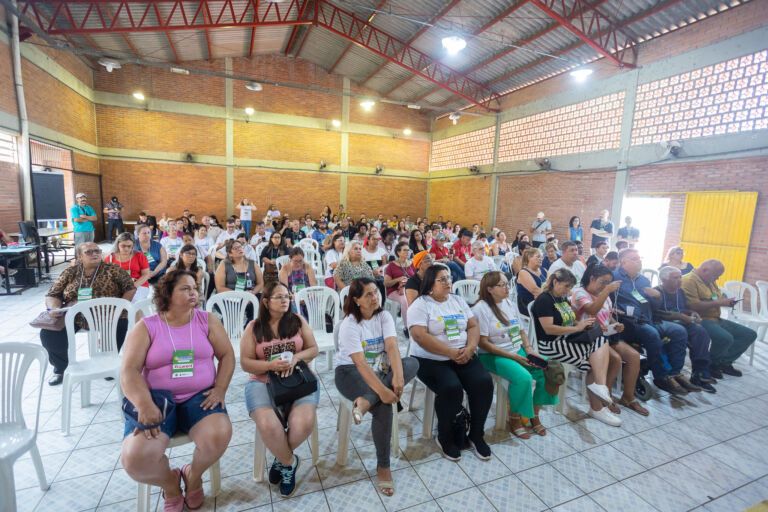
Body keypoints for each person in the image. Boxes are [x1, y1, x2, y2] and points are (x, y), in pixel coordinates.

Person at [120, 270, 234, 512]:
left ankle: (193, 476)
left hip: (200, 397)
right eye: (185, 288)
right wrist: (144, 404)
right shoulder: (147, 327)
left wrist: (220, 388)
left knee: (219, 435)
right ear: (167, 294)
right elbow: (129, 371)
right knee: (135, 459)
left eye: (195, 287)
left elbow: (227, 356)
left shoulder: (207, 320)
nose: (193, 292)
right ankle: (171, 484)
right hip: (158, 402)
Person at [335, 278, 419, 496]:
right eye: (368, 295)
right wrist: (382, 392)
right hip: (349, 372)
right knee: (383, 404)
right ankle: (384, 465)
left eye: (376, 292)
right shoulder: (349, 324)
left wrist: (399, 377)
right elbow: (360, 363)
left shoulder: (384, 316)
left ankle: (365, 401)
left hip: (381, 368)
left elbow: (392, 346)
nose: (375, 298)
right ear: (356, 300)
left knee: (412, 363)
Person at [240, 282, 319, 498]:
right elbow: (246, 363)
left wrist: (296, 357)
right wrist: (269, 366)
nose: (285, 300)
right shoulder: (254, 327)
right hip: (262, 381)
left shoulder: (297, 321)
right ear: (266, 302)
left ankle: (280, 457)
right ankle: (290, 462)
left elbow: (313, 349)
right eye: (279, 297)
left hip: (298, 379)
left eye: (287, 296)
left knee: (302, 424)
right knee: (268, 425)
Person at [407, 265, 493, 461]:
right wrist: (450, 352)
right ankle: (445, 436)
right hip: (430, 359)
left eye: (449, 278)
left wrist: (470, 348)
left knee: (483, 382)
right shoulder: (421, 305)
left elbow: (473, 325)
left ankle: (477, 434)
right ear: (430, 284)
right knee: (451, 387)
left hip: (463, 354)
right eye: (442, 279)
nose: (448, 282)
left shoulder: (457, 300)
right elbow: (419, 336)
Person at [531, 268, 622, 426]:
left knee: (598, 342)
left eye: (570, 287)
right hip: (550, 345)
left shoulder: (561, 298)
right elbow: (549, 329)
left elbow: (569, 319)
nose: (568, 290)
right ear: (555, 282)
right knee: (597, 352)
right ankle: (599, 396)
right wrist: (577, 328)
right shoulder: (544, 300)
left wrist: (582, 324)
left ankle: (599, 396)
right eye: (566, 286)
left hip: (564, 339)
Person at [473, 271, 557, 437]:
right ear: (489, 289)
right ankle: (515, 417)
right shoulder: (480, 308)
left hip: (516, 349)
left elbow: (521, 330)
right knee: (523, 377)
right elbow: (482, 343)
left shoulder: (508, 303)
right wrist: (513, 356)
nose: (507, 288)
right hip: (493, 355)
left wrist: (529, 349)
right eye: (502, 285)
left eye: (507, 284)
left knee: (550, 369)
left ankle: (533, 414)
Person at [40, 242, 136, 386]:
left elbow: (130, 288)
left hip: (107, 314)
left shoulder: (113, 269)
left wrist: (120, 306)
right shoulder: (71, 272)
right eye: (89, 252)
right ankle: (61, 368)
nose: (95, 254)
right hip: (76, 315)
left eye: (97, 251)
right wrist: (53, 309)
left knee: (121, 322)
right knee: (48, 333)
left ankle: (108, 363)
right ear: (79, 256)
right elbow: (53, 294)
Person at [570, 265, 650, 415]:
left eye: (608, 283)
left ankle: (628, 397)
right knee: (615, 359)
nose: (605, 286)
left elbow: (607, 313)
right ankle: (605, 397)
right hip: (588, 337)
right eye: (603, 282)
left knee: (633, 356)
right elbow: (592, 310)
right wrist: (606, 291)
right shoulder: (580, 293)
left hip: (608, 335)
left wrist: (615, 323)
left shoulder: (603, 294)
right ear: (592, 278)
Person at [613, 249, 693, 395]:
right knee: (652, 334)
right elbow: (607, 301)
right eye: (634, 259)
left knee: (679, 331)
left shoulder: (643, 280)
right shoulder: (614, 278)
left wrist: (657, 297)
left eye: (639, 258)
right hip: (629, 321)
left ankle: (674, 373)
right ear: (623, 262)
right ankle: (660, 376)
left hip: (649, 319)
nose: (639, 261)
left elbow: (654, 306)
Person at [681, 260, 757, 378]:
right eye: (716, 276)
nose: (716, 279)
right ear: (705, 270)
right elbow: (693, 306)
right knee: (725, 338)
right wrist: (720, 302)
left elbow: (717, 297)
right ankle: (710, 365)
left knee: (749, 334)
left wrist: (727, 301)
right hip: (700, 319)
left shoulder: (709, 281)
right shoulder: (688, 280)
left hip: (715, 318)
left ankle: (724, 363)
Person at [655, 266, 717, 392]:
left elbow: (683, 309)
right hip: (664, 323)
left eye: (680, 277)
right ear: (663, 279)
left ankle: (699, 373)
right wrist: (680, 316)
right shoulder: (657, 292)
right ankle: (672, 374)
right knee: (679, 331)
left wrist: (692, 313)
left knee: (701, 332)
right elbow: (656, 313)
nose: (679, 281)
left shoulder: (680, 292)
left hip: (682, 322)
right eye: (675, 278)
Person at [106, 232, 151, 301]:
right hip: (118, 286)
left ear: (133, 246)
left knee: (132, 300)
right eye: (123, 246)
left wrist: (133, 286)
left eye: (129, 246)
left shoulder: (140, 256)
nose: (126, 249)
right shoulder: (110, 258)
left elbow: (146, 274)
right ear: (118, 245)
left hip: (139, 285)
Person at [383, 242, 414, 328]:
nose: (407, 252)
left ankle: (418, 324)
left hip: (408, 289)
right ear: (398, 252)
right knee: (405, 300)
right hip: (394, 291)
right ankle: (407, 327)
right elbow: (386, 283)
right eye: (404, 250)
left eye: (408, 250)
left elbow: (415, 278)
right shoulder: (391, 266)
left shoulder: (411, 264)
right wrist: (398, 279)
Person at [516, 247, 547, 317]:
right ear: (529, 257)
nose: (541, 259)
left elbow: (552, 285)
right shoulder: (523, 272)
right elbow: (536, 291)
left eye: (542, 257)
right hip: (528, 304)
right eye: (538, 257)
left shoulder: (544, 270)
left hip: (542, 300)